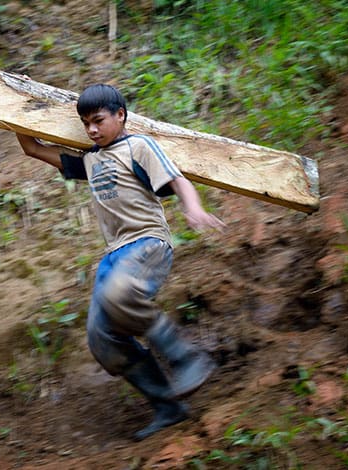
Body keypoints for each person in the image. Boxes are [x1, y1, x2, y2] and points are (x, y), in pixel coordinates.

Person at [15, 84, 225, 441]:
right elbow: (32, 148)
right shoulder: (90, 160)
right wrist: (12, 110)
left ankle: (185, 357)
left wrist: (193, 208)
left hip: (147, 244)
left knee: (118, 295)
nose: (92, 130)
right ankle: (168, 407)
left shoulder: (139, 147)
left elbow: (177, 179)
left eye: (98, 121)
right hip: (114, 255)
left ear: (120, 116)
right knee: (102, 342)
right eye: (86, 124)